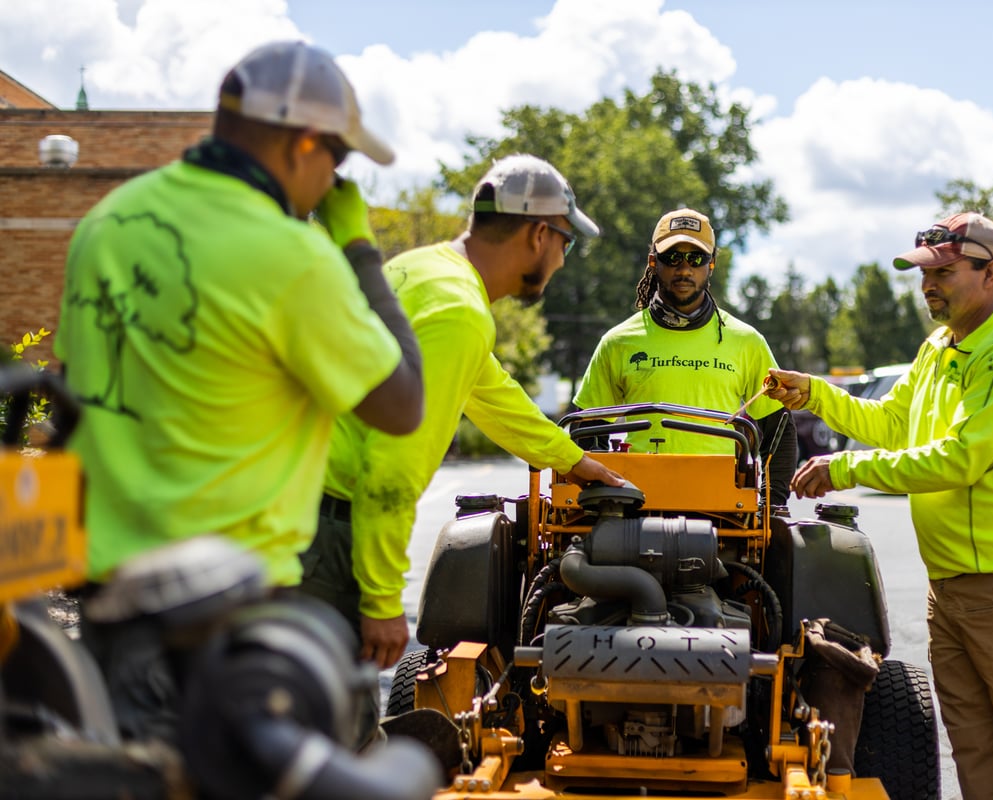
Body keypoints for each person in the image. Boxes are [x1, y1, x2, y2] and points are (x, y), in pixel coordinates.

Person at [55, 40, 424, 739]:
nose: (335, 180)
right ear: (303, 144)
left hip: (105, 605)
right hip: (226, 622)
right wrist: (356, 247)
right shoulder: (293, 256)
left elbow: (77, 397)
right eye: (338, 161)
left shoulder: (106, 221)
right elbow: (401, 403)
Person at [767, 213, 993, 799]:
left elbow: (959, 459)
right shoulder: (939, 347)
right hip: (950, 587)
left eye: (944, 272)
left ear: (991, 273)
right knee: (977, 750)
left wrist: (845, 469)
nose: (929, 284)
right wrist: (816, 393)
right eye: (924, 273)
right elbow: (895, 422)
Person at [300, 154, 624, 670]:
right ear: (539, 234)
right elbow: (394, 467)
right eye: (567, 242)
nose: (563, 259)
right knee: (329, 722)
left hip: (295, 503)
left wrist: (569, 459)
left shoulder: (421, 268)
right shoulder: (459, 313)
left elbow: (489, 388)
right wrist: (383, 599)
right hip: (328, 537)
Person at [571, 208, 798, 507]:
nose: (684, 269)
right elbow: (586, 429)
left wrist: (773, 506)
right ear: (654, 262)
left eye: (696, 258)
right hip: (634, 506)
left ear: (712, 264)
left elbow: (778, 428)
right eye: (672, 257)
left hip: (723, 509)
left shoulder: (747, 341)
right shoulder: (618, 342)